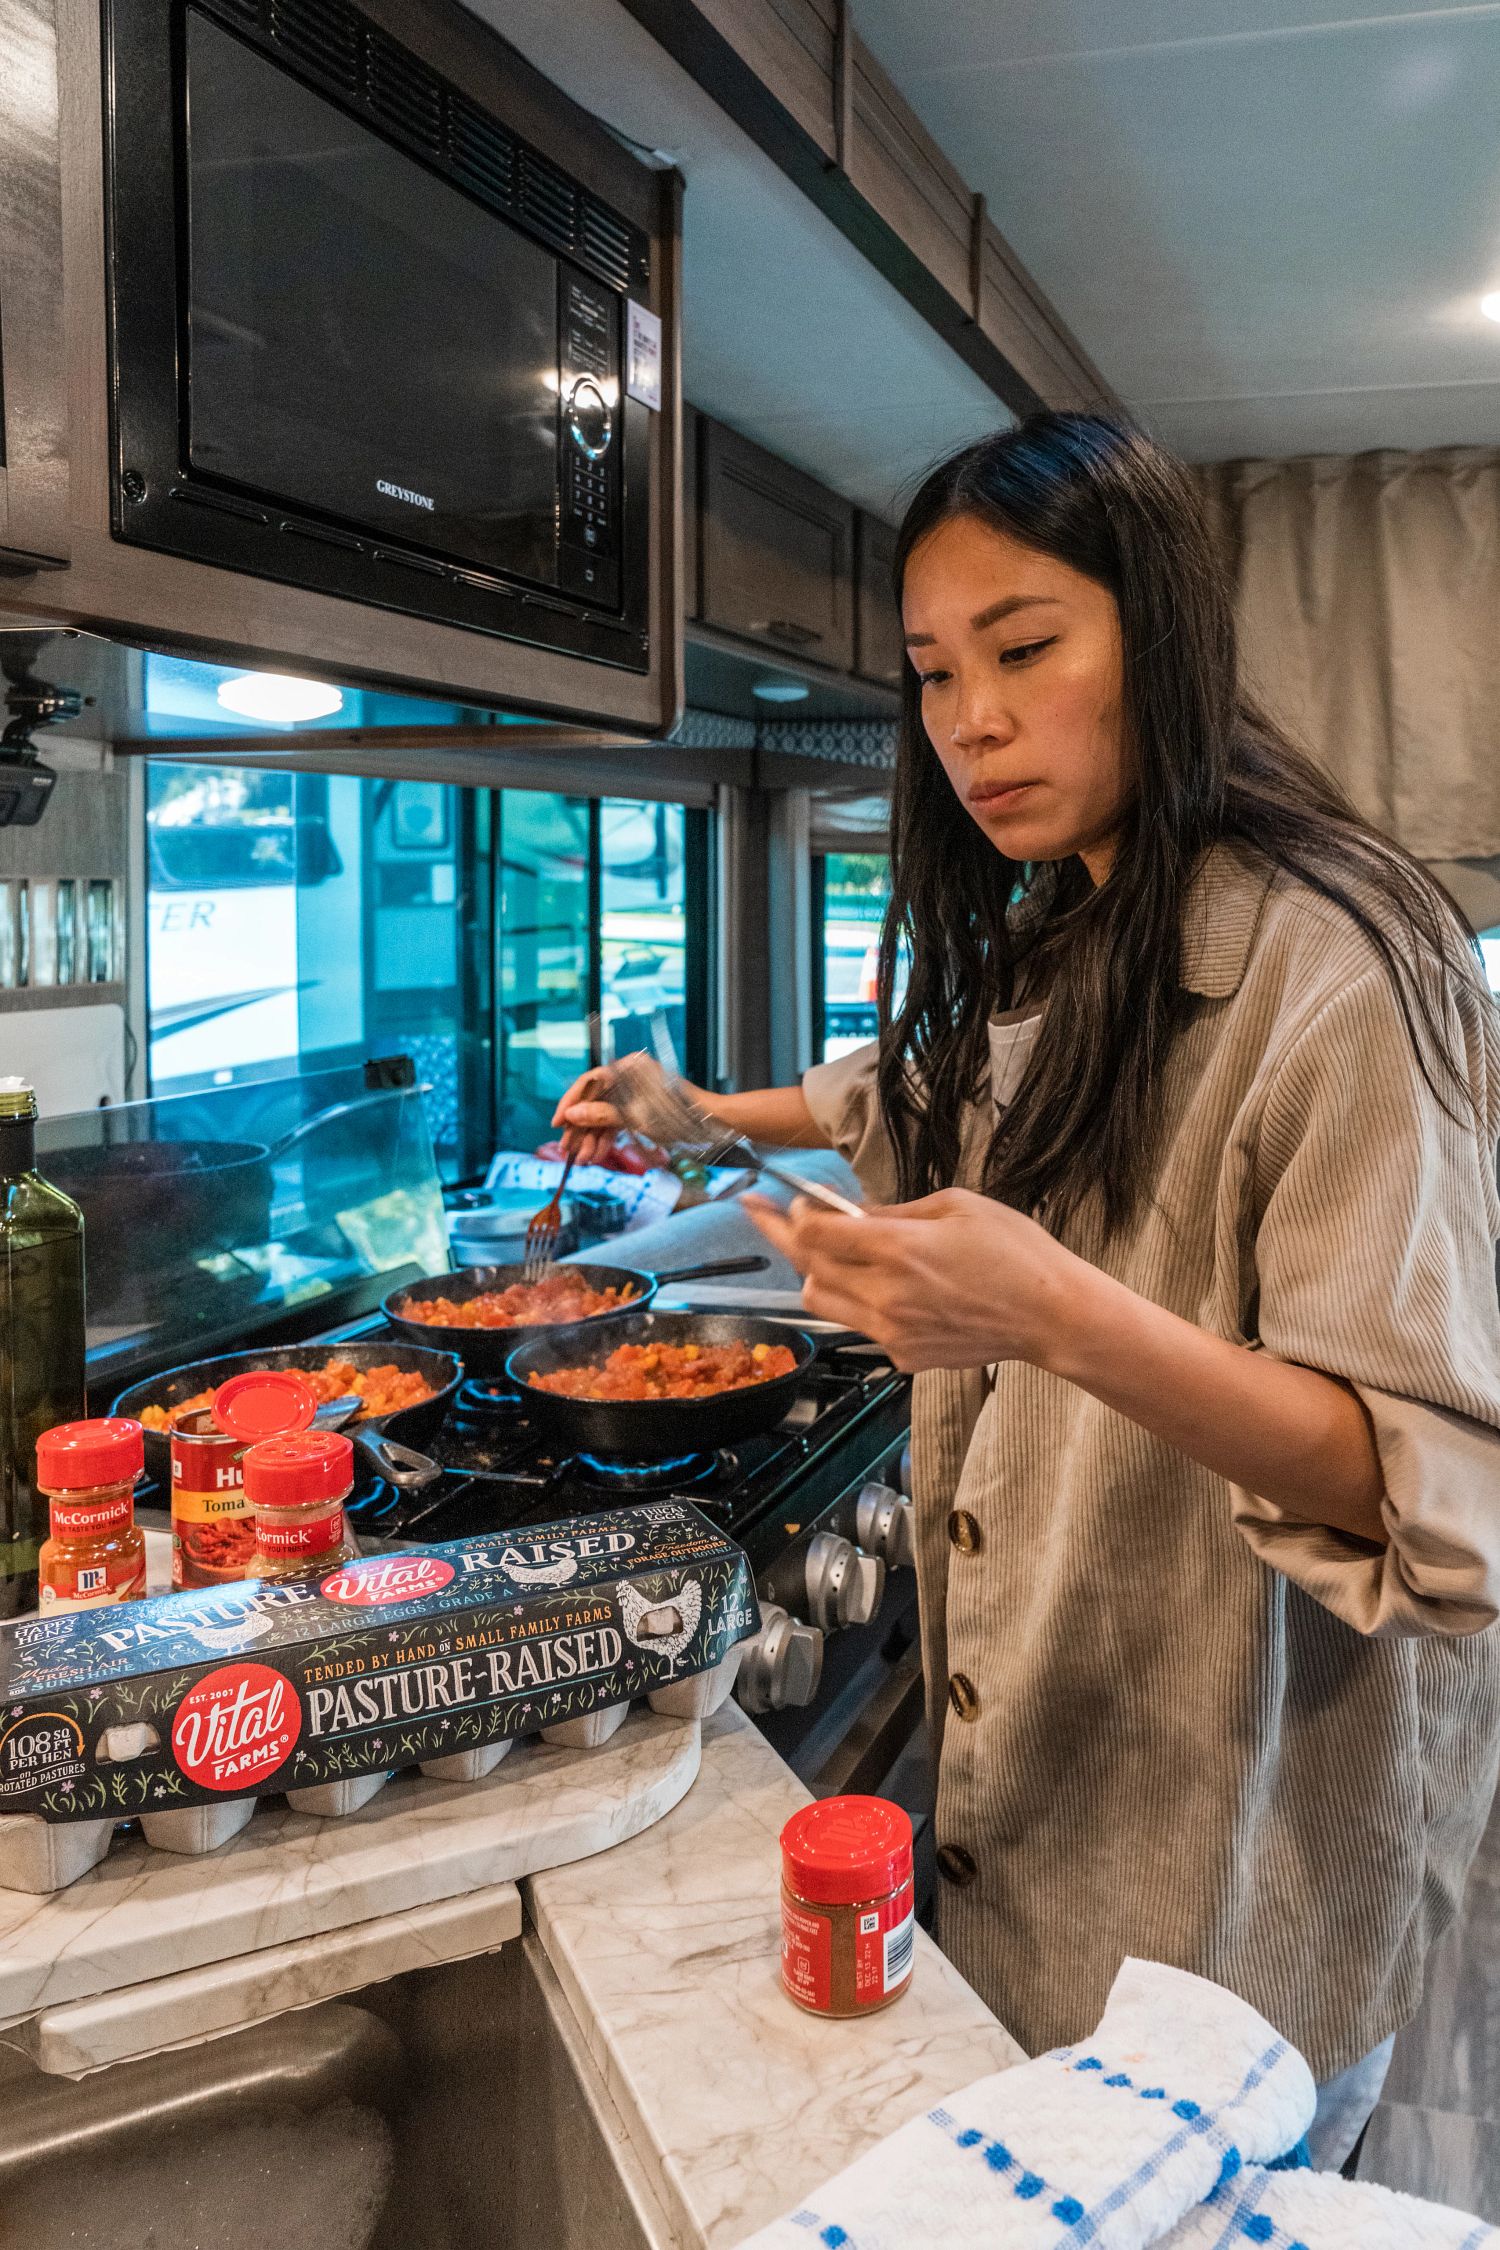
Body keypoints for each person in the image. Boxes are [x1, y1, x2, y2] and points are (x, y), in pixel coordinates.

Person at [554, 413, 1500, 2169]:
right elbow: (906, 1091)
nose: (969, 718)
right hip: (1054, 1797)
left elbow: (1423, 1483)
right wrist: (694, 1116)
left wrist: (1055, 1312)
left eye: (1024, 647)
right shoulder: (1085, 907)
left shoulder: (1350, 963)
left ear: (1163, 633)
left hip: (1243, 1860)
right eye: (928, 673)